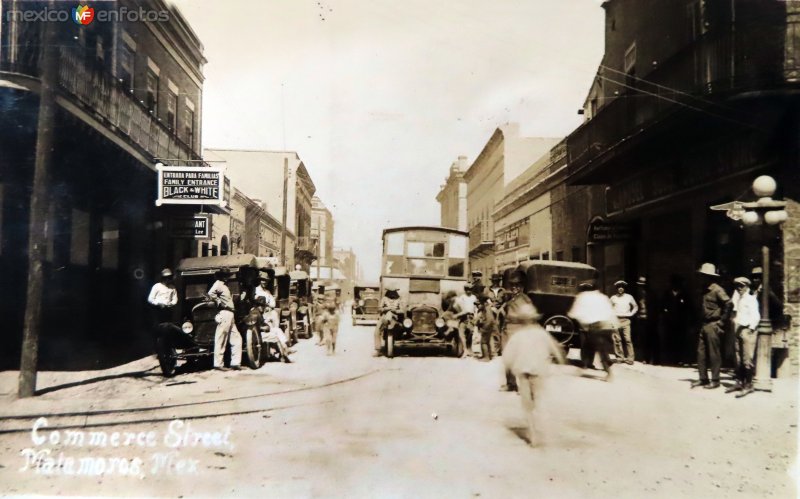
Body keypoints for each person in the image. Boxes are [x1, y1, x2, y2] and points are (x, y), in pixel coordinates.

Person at [502, 295, 566, 447]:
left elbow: (508, 356)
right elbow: (555, 349)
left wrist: (509, 367)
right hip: (538, 370)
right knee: (537, 400)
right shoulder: (541, 333)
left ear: (522, 320)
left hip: (523, 372)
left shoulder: (518, 335)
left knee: (527, 404)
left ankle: (533, 433)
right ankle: (539, 429)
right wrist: (560, 362)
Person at [691, 263, 731, 389]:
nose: (702, 278)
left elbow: (729, 304)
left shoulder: (717, 289)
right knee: (700, 353)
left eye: (704, 276)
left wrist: (722, 322)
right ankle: (703, 378)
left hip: (714, 324)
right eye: (702, 275)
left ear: (710, 277)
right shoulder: (703, 289)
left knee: (714, 353)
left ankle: (715, 380)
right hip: (704, 324)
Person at [568, 281, 618, 381]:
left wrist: (582, 323)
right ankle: (586, 366)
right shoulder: (603, 297)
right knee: (595, 347)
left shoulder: (582, 296)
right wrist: (615, 328)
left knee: (595, 347)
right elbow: (611, 312)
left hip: (595, 326)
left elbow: (574, 313)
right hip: (607, 326)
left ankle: (604, 370)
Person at [726, 277, 759, 394]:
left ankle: (749, 384)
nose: (739, 288)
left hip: (747, 330)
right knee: (738, 356)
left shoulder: (751, 299)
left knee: (747, 358)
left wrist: (750, 329)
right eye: (737, 286)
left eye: (741, 286)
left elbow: (756, 316)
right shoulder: (738, 299)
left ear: (746, 287)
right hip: (738, 329)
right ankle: (739, 382)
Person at [208, 269, 242, 371]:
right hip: (225, 312)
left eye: (227, 275)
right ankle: (218, 364)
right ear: (221, 276)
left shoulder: (225, 285)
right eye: (225, 275)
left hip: (230, 314)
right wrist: (218, 301)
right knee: (221, 339)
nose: (227, 277)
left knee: (237, 339)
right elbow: (210, 293)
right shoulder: (218, 284)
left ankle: (235, 363)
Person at [500, 271, 526, 391]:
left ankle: (523, 387)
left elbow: (528, 317)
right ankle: (511, 384)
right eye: (512, 285)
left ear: (522, 287)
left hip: (517, 331)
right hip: (507, 331)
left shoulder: (525, 299)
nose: (514, 287)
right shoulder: (511, 299)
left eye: (517, 285)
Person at [661, 274, 692, 365]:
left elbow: (689, 307)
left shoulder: (684, 294)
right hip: (669, 322)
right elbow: (662, 306)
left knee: (680, 341)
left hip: (681, 323)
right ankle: (670, 359)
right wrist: (665, 312)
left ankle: (679, 359)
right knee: (669, 340)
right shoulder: (667, 293)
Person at [250, 296, 292, 363]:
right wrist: (265, 328)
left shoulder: (256, 312)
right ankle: (283, 355)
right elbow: (256, 327)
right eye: (262, 306)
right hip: (258, 335)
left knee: (277, 330)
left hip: (260, 332)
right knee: (275, 337)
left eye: (263, 306)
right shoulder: (255, 313)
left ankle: (284, 347)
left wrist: (266, 326)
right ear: (259, 306)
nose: (263, 308)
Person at [609, 280, 638, 364]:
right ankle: (620, 357)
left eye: (622, 287)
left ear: (624, 288)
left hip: (626, 320)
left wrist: (632, 313)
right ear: (616, 288)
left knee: (628, 339)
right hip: (615, 320)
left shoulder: (629, 297)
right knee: (617, 340)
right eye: (618, 287)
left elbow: (635, 306)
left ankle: (630, 358)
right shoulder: (613, 297)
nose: (620, 289)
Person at [373, 284, 405, 357]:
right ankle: (378, 350)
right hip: (384, 316)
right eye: (390, 291)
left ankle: (387, 322)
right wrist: (385, 309)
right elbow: (379, 309)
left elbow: (402, 310)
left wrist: (395, 310)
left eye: (393, 291)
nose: (392, 293)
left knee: (390, 314)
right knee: (376, 332)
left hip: (394, 317)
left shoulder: (399, 299)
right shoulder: (384, 298)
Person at [454, 283, 479, 357]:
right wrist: (459, 313)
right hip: (463, 317)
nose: (469, 291)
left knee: (470, 333)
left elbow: (476, 307)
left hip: (471, 316)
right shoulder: (462, 297)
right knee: (461, 334)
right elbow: (456, 306)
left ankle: (469, 349)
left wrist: (475, 316)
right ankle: (465, 350)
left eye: (470, 289)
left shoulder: (474, 297)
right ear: (465, 290)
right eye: (467, 290)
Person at [487, 273, 507, 356]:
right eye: (494, 281)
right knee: (493, 329)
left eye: (497, 281)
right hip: (491, 310)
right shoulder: (488, 290)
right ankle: (494, 349)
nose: (496, 283)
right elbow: (486, 300)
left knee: (500, 329)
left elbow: (506, 301)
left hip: (500, 311)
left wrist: (501, 308)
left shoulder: (503, 290)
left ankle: (500, 349)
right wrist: (491, 306)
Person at [476, 295, 498, 361]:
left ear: (483, 303)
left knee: (483, 342)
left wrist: (484, 328)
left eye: (479, 304)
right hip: (489, 326)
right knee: (487, 342)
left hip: (487, 326)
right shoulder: (486, 308)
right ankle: (489, 355)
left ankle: (486, 357)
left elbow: (489, 320)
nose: (477, 306)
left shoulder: (487, 308)